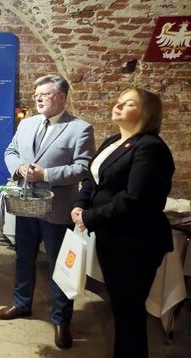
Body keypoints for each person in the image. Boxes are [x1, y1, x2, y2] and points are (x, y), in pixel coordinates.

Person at [72, 88, 174, 358]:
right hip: (112, 237)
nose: (117, 106)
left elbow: (135, 198)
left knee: (129, 312)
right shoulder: (113, 141)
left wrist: (89, 217)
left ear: (146, 113)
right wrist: (80, 204)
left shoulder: (150, 147)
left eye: (128, 103)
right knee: (120, 307)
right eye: (118, 102)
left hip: (135, 242)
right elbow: (92, 179)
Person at [0, 74, 95, 350]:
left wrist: (46, 174)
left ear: (61, 97)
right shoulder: (27, 123)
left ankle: (61, 320)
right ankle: (21, 303)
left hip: (58, 208)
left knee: (59, 266)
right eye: (36, 94)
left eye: (44, 94)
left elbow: (83, 168)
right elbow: (11, 151)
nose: (38, 98)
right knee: (23, 258)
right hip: (26, 204)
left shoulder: (80, 128)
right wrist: (19, 168)